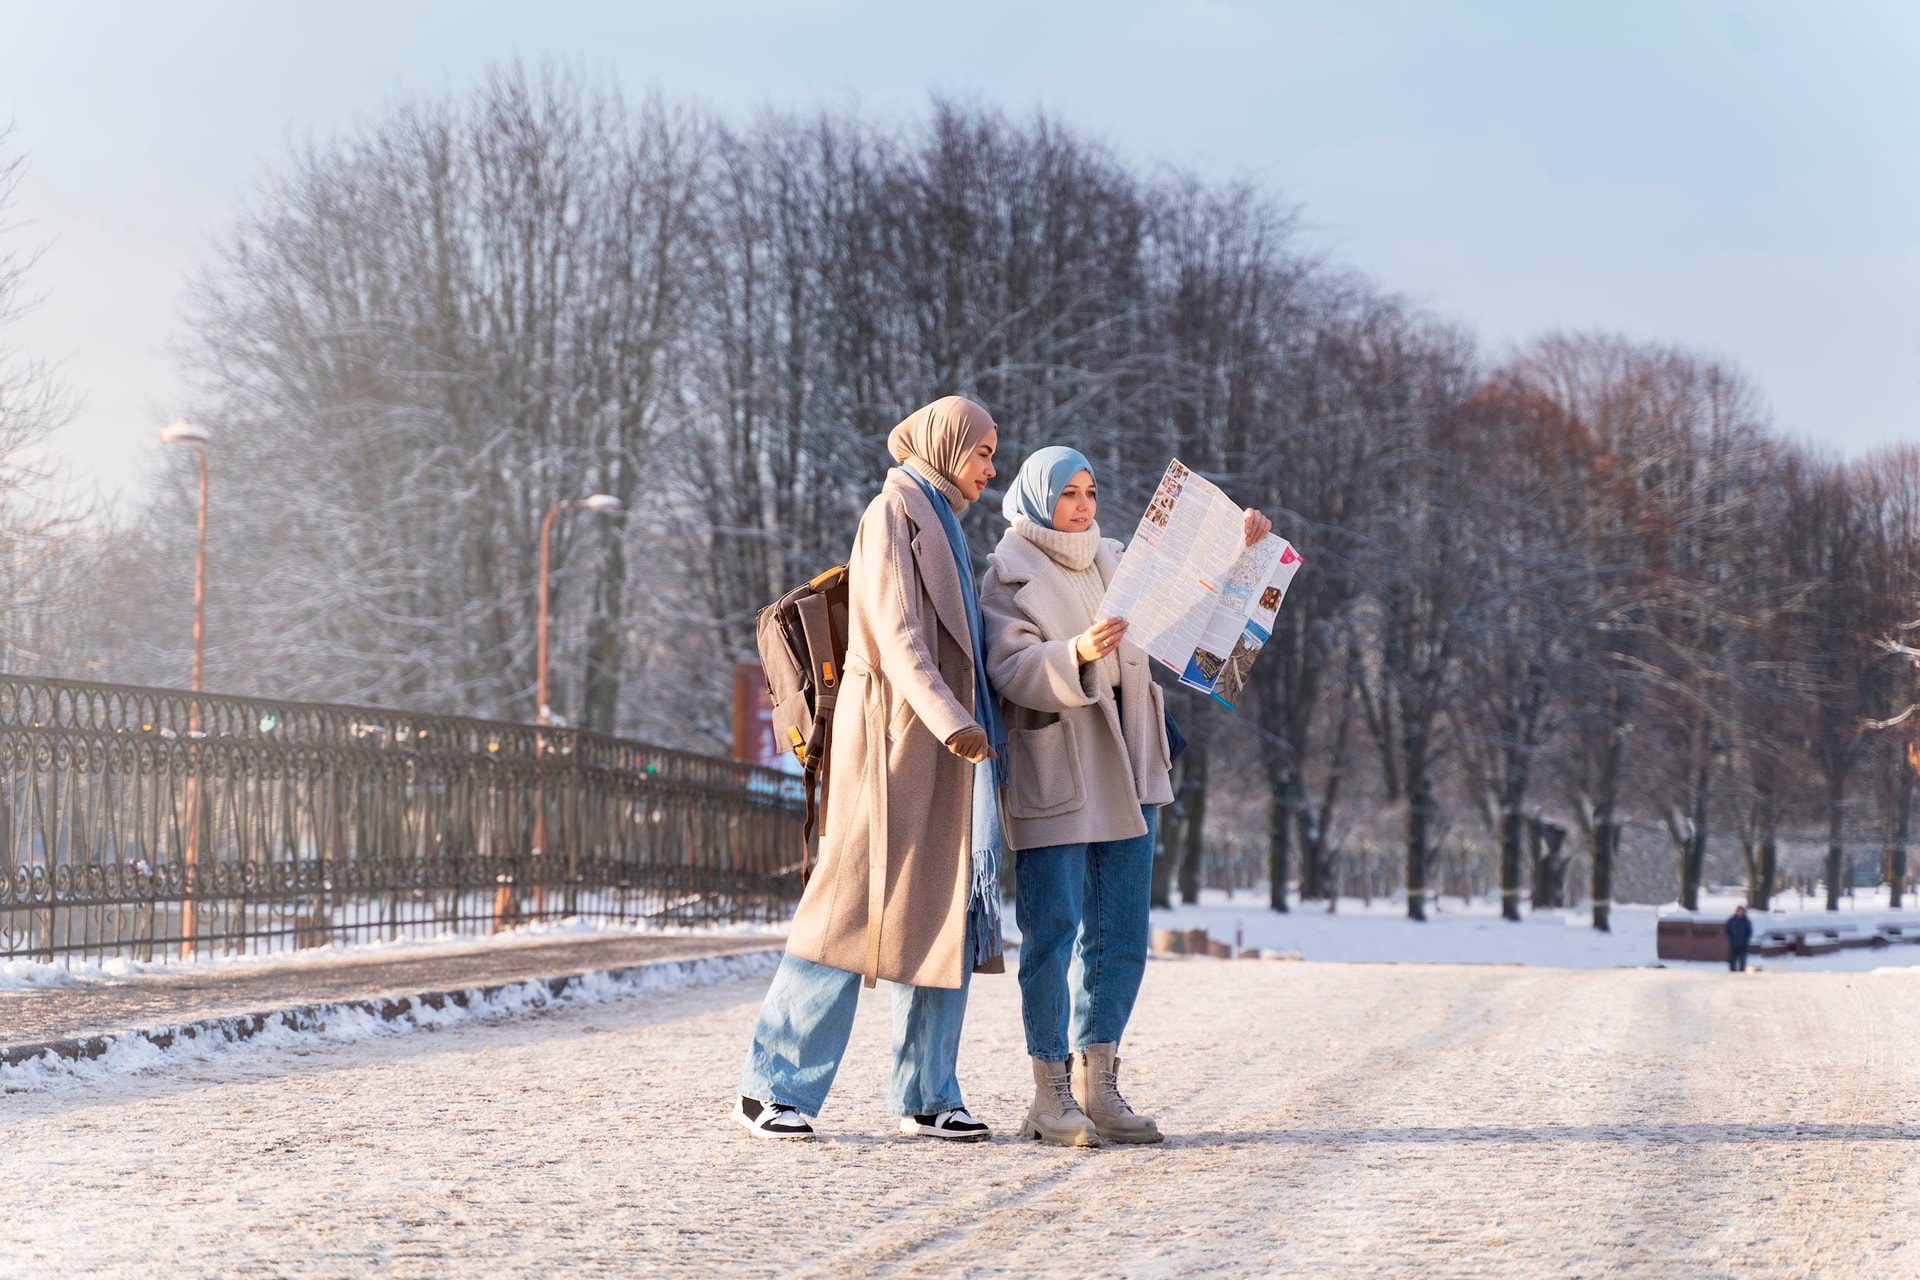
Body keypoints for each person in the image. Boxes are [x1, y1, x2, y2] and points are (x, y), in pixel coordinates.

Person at [734, 396, 1008, 1142]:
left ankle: (926, 1091)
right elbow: (896, 634)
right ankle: (769, 1085)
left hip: (941, 747)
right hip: (893, 738)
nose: (990, 465)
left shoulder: (943, 519)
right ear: (946, 446)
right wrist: (952, 717)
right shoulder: (892, 513)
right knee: (845, 904)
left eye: (990, 452)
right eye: (981, 450)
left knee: (939, 907)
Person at [981, 447, 1269, 1146]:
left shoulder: (1115, 557)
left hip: (1133, 761)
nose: (1082, 505)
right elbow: (1007, 666)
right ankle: (1049, 1094)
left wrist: (1243, 551)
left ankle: (1097, 1083)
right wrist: (1076, 651)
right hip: (1064, 760)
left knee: (1121, 935)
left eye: (1090, 491)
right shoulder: (1008, 570)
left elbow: (1186, 597)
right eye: (1068, 494)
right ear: (1036, 499)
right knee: (1053, 932)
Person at [1725, 905, 1753, 972]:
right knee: (1732, 959)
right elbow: (1727, 930)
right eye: (1739, 911)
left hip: (1743, 944)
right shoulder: (1731, 920)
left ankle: (1741, 971)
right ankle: (1732, 971)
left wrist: (1746, 940)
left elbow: (1749, 932)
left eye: (1742, 911)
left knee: (1742, 960)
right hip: (1733, 943)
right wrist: (1730, 939)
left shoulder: (1746, 921)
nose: (1740, 912)